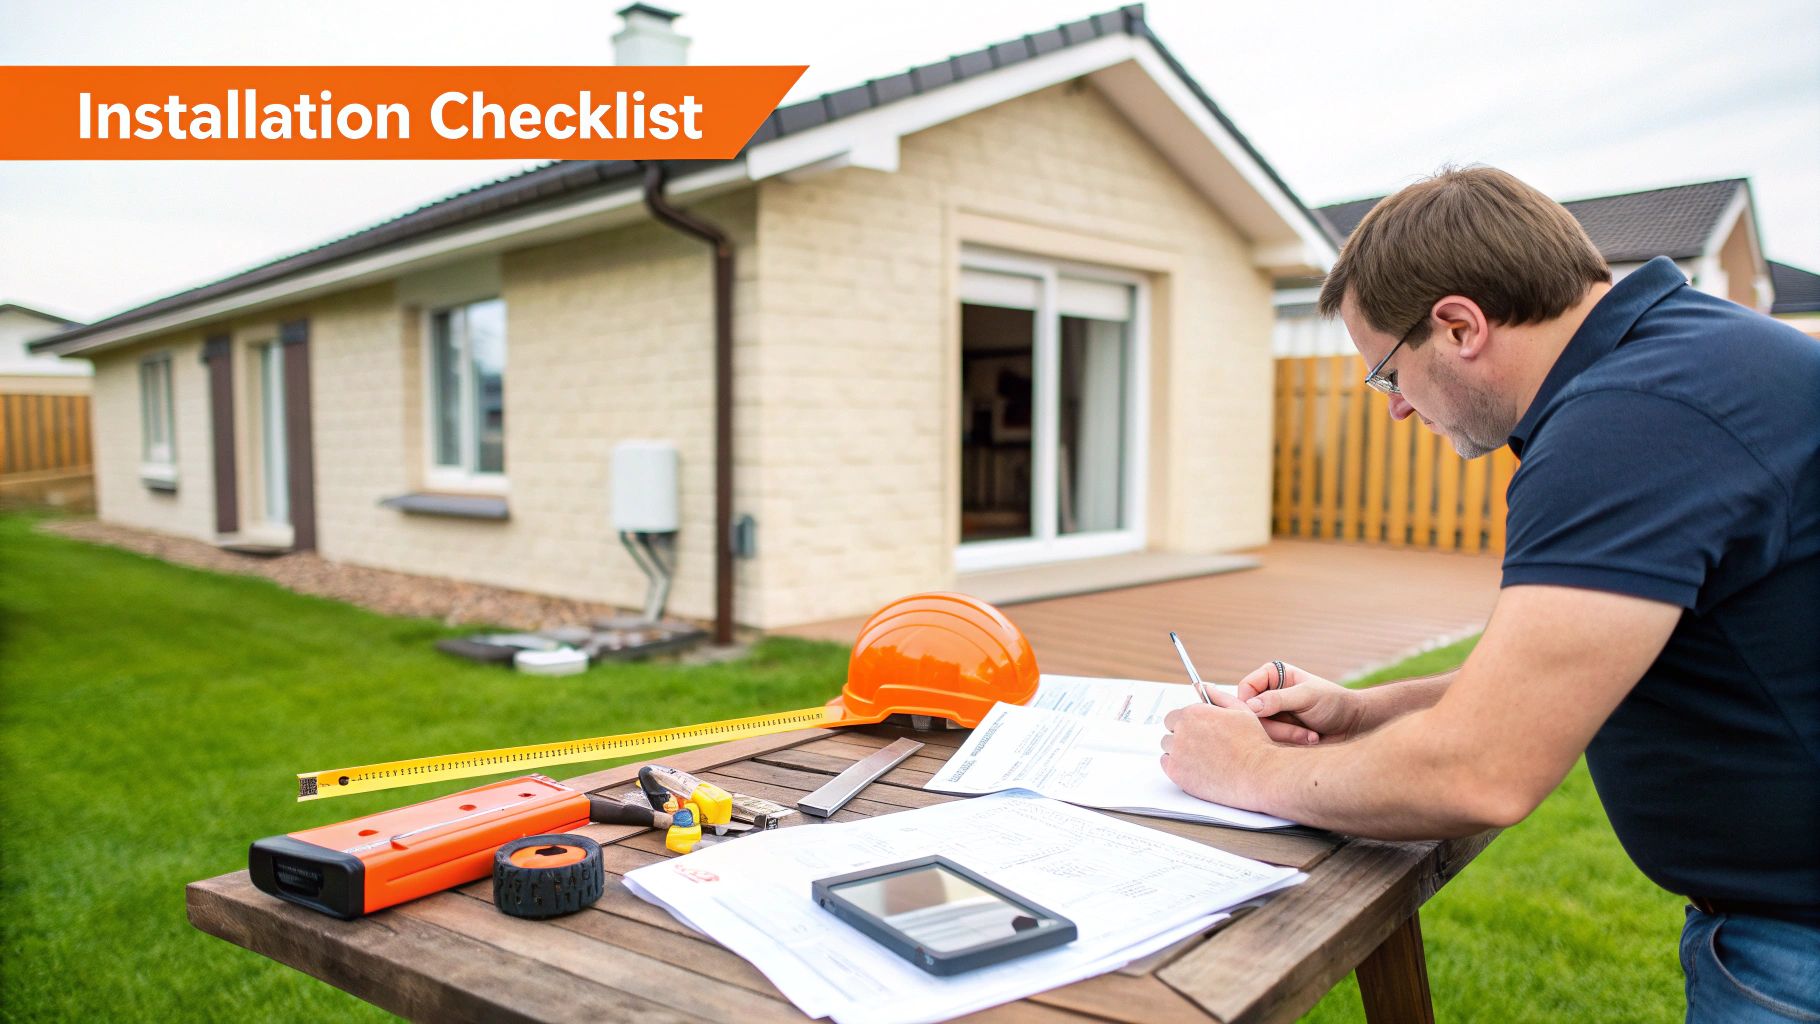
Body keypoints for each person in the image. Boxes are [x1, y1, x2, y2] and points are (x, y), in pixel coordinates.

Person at [1159, 166, 1819, 1022]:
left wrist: (1246, 768)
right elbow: (1580, 668)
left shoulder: (1627, 421)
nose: (1395, 409)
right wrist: (1369, 710)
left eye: (1390, 373)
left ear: (1460, 325)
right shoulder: (1691, 359)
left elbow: (1482, 773)